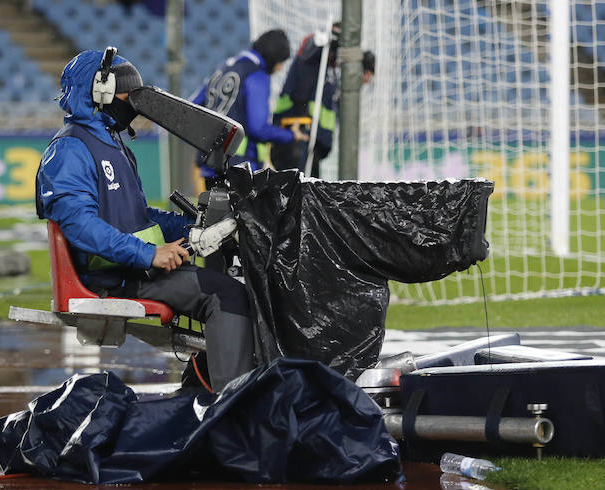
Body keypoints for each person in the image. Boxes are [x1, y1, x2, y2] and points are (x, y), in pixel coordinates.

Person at [35, 48, 255, 392]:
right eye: (129, 94)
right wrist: (148, 254)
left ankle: (200, 392)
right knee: (227, 296)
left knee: (234, 284)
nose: (134, 103)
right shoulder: (68, 151)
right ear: (101, 91)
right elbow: (79, 225)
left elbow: (140, 216)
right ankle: (233, 404)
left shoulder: (113, 143)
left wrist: (196, 227)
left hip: (133, 267)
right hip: (113, 276)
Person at [190, 29, 308, 177]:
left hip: (210, 161)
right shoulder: (257, 75)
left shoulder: (223, 67)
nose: (280, 68)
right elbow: (258, 128)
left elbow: (193, 105)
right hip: (240, 166)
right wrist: (290, 135)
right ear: (273, 58)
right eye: (281, 63)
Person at [271, 22, 375, 177]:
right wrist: (334, 41)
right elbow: (313, 43)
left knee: (310, 194)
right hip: (295, 134)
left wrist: (362, 64)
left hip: (312, 141)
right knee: (295, 193)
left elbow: (339, 99)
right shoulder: (312, 56)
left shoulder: (330, 71)